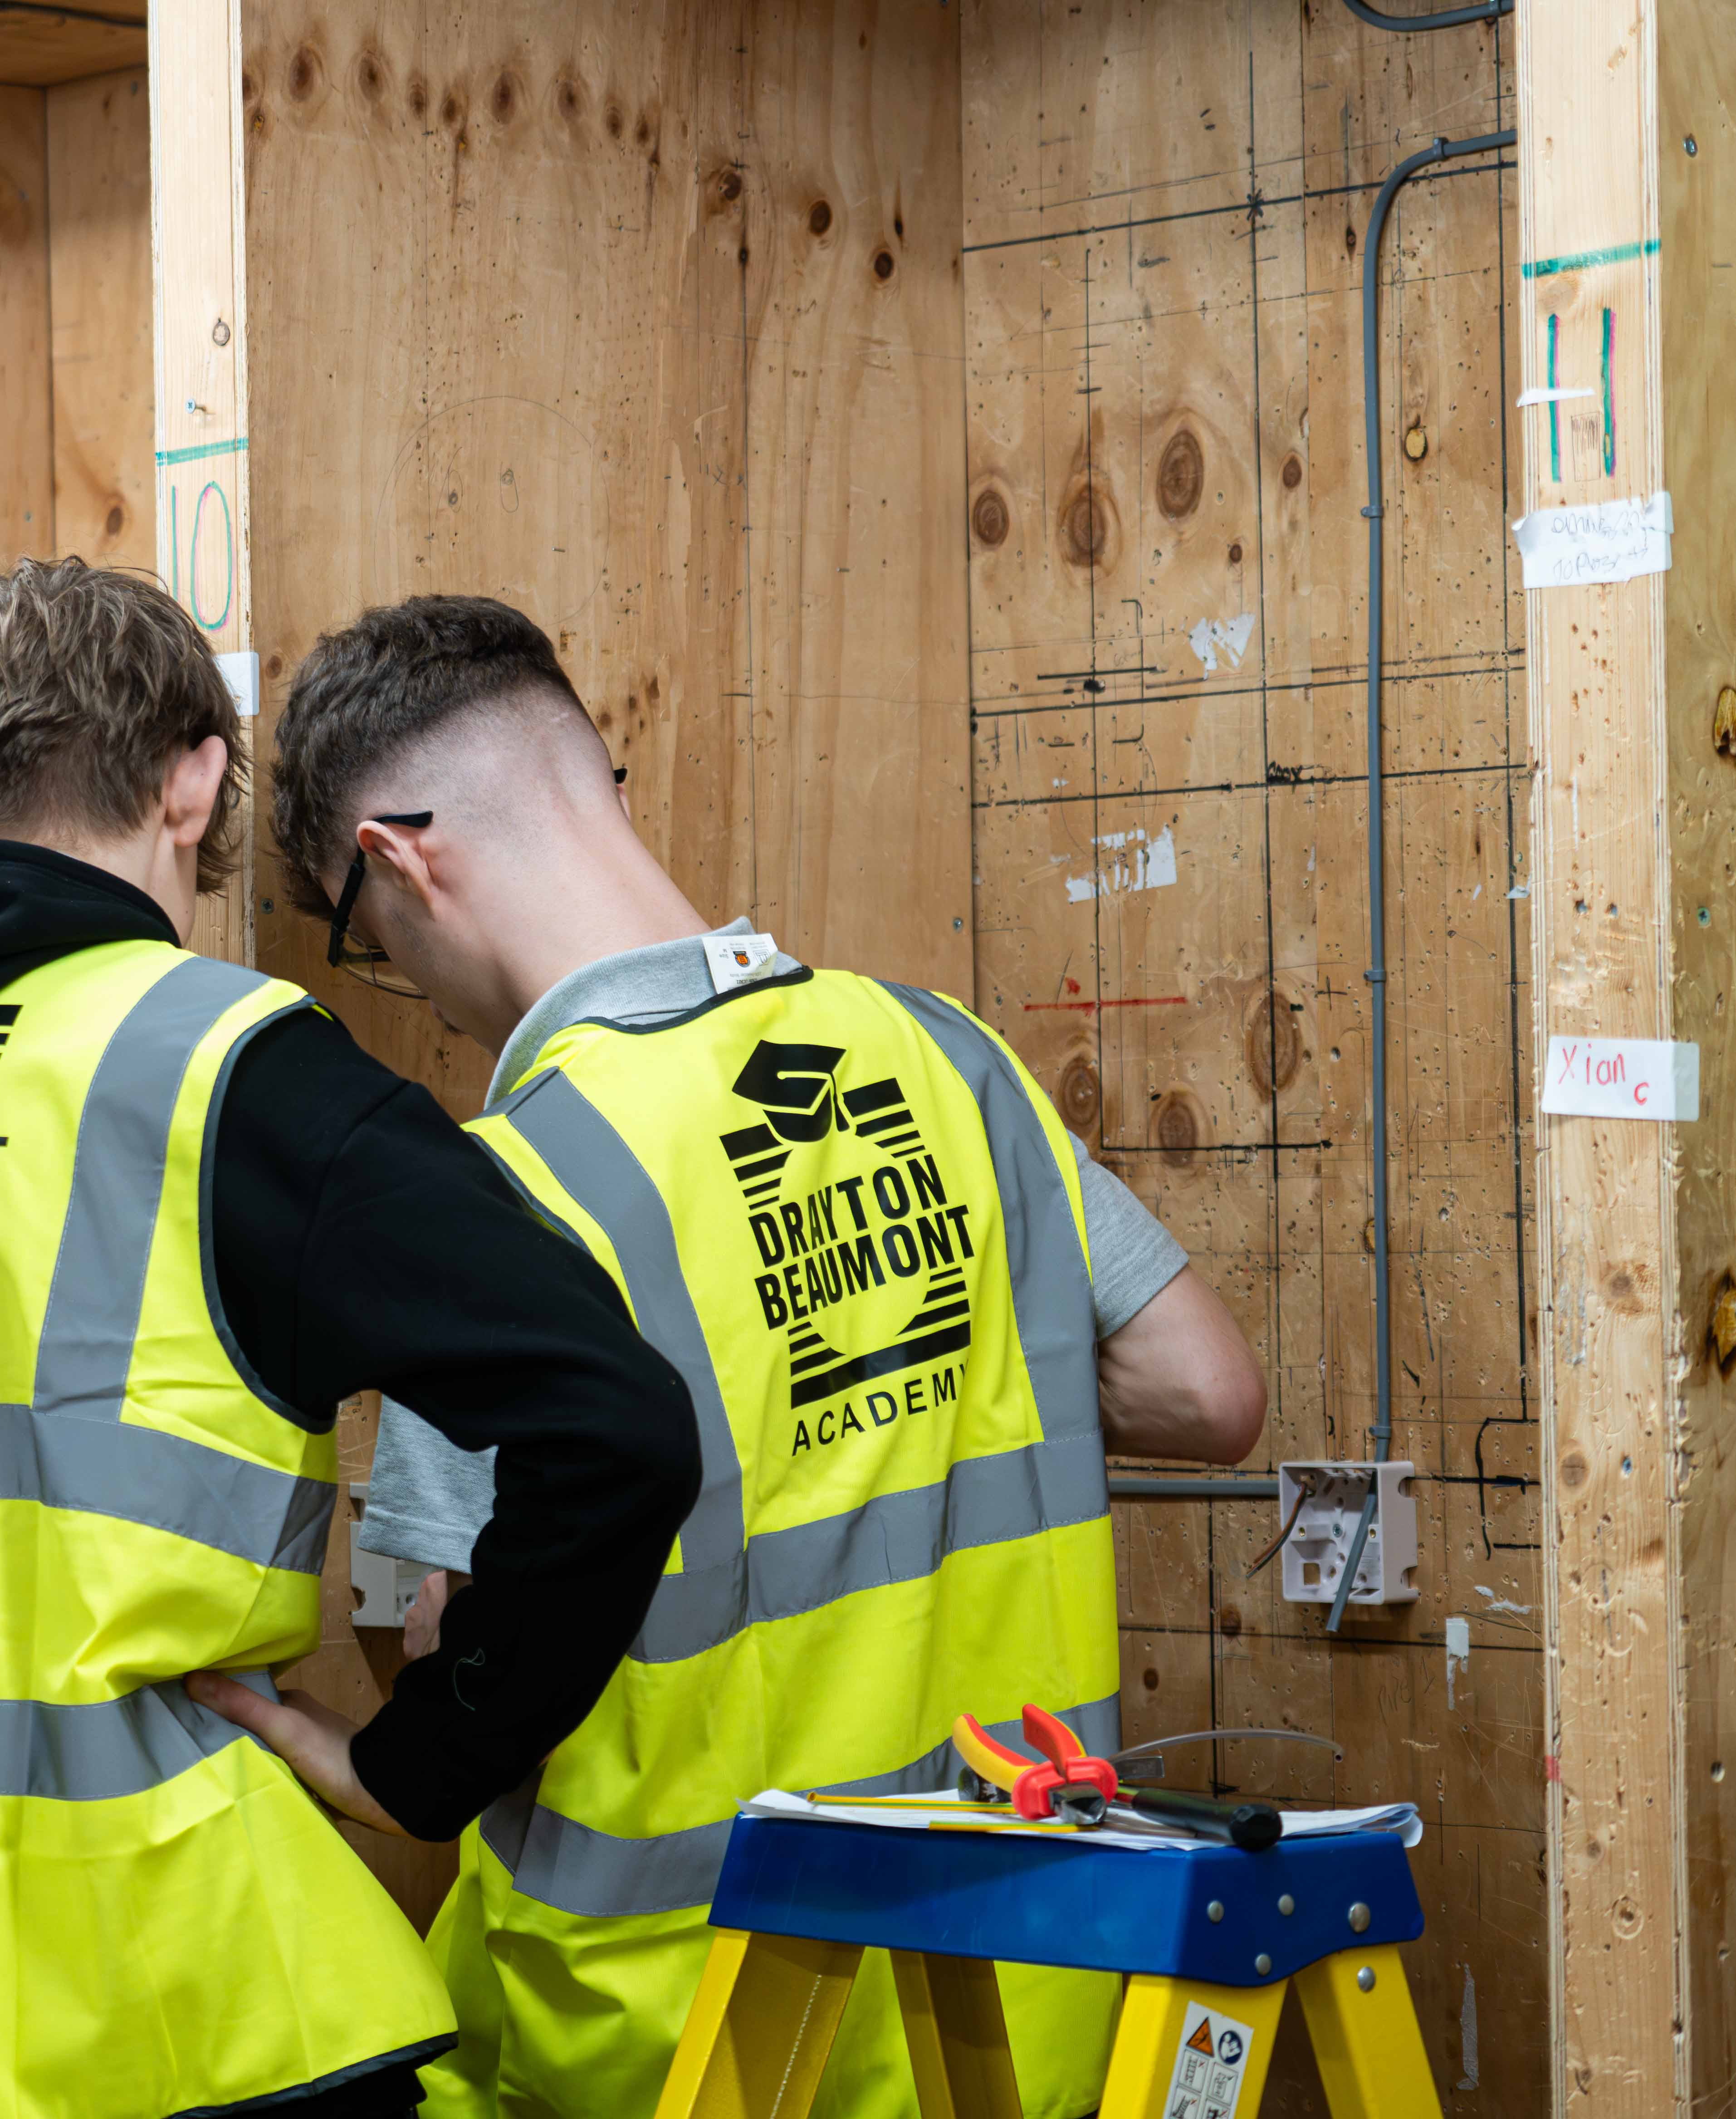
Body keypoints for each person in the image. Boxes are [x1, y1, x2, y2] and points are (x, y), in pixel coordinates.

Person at [0, 558, 701, 2117]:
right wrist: (426, 1766)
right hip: (173, 2026)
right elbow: (616, 1425)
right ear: (191, 786)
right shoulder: (220, 1070)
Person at [267, 595, 1271, 2119]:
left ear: (399, 860)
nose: (402, 978)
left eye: (367, 941)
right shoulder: (944, 1055)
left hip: (684, 2038)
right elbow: (1208, 1394)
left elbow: (443, 1646)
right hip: (1018, 2011)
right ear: (592, 777)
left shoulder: (520, 1187)